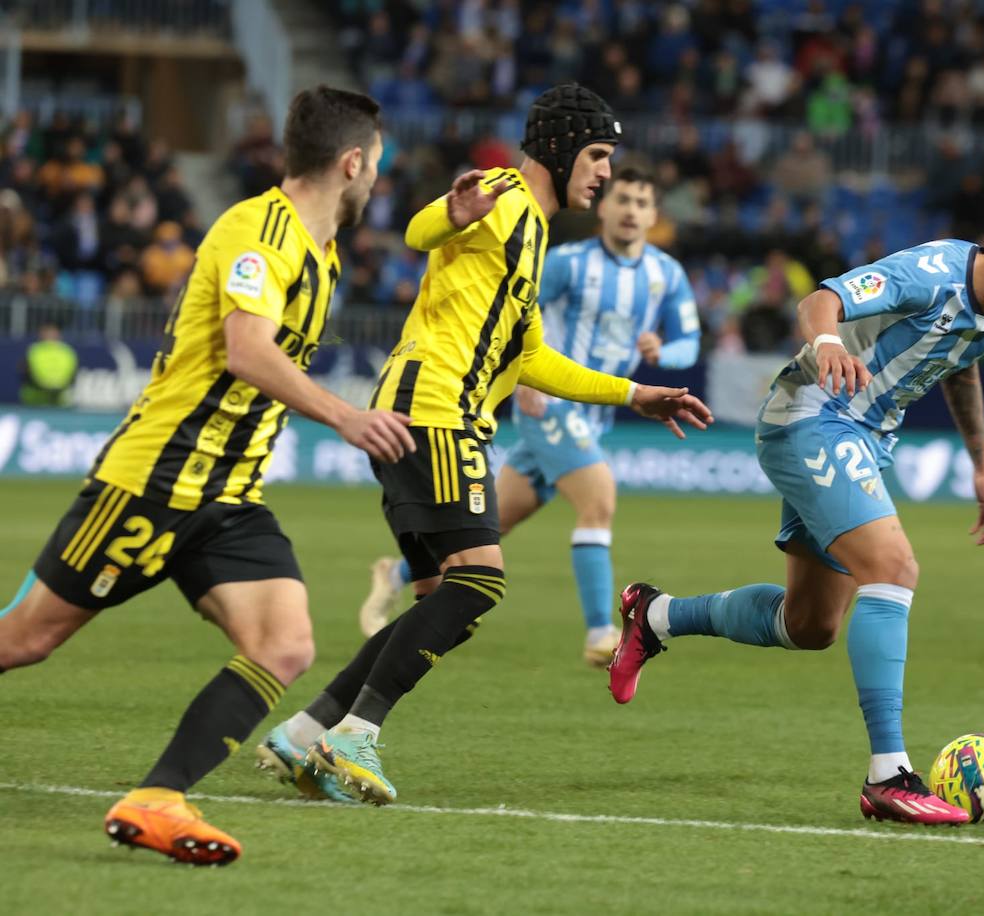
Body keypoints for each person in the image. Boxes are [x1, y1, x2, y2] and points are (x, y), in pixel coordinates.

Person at [258, 84, 712, 806]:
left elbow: (532, 359)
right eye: (597, 156)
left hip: (422, 411)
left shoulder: (533, 234)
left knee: (439, 595)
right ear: (561, 150)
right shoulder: (502, 193)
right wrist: (450, 210)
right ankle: (355, 735)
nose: (603, 173)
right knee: (479, 580)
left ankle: (308, 731)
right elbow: (418, 231)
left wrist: (636, 394)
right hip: (435, 411)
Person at [0, 86, 403, 865]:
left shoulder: (319, 251)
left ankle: (157, 798)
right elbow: (247, 350)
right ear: (352, 163)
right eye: (376, 165)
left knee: (284, 644)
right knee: (24, 640)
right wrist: (347, 417)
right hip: (155, 479)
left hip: (229, 496)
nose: (377, 180)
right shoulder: (259, 231)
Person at [607, 212, 984, 826]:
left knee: (810, 624)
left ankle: (654, 614)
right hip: (812, 418)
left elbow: (960, 362)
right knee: (893, 567)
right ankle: (889, 776)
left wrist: (983, 466)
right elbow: (821, 300)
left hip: (859, 441)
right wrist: (829, 343)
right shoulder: (931, 273)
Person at [357, 167, 702, 667]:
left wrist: (664, 353)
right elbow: (511, 318)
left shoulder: (665, 274)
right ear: (603, 208)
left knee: (482, 533)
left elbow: (689, 341)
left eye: (641, 202)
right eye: (621, 199)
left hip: (596, 413)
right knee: (599, 499)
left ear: (654, 215)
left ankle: (395, 575)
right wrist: (518, 377)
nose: (630, 210)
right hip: (551, 407)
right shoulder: (564, 261)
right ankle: (602, 633)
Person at [19, 322, 79, 406]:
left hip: (59, 397)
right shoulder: (34, 351)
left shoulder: (67, 351)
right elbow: (26, 372)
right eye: (47, 333)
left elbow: (73, 373)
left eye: (52, 332)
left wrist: (58, 386)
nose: (50, 335)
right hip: (36, 397)